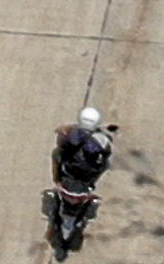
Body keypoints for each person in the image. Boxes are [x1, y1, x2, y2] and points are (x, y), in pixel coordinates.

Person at [42, 105, 113, 254]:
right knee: (105, 165)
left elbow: (60, 148)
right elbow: (106, 156)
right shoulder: (102, 141)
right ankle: (92, 185)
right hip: (85, 182)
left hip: (67, 177)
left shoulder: (70, 135)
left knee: (56, 155)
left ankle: (57, 181)